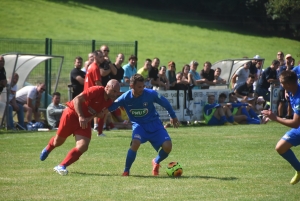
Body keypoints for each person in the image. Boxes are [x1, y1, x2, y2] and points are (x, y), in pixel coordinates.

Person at [39, 79, 120, 176]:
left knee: (83, 146)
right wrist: (81, 116)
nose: (115, 94)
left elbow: (99, 114)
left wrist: (95, 116)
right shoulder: (97, 90)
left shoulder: (110, 102)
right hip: (72, 115)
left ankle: (61, 166)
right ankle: (48, 148)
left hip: (84, 121)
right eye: (113, 91)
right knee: (58, 141)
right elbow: (77, 99)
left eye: (117, 92)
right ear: (106, 87)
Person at [107, 74, 179, 176]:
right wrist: (100, 111)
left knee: (168, 147)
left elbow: (164, 102)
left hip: (155, 124)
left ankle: (156, 161)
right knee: (135, 143)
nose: (142, 89)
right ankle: (126, 170)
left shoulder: (150, 94)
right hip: (139, 126)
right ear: (132, 86)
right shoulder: (125, 97)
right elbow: (111, 107)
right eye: (139, 87)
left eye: (143, 86)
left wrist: (173, 116)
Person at [261, 71, 300, 185]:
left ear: (288, 84)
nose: (281, 86)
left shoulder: (299, 99)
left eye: (282, 84)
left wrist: (275, 118)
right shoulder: (292, 91)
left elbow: (295, 123)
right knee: (280, 147)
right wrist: (287, 93)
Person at [277, 54, 294, 119]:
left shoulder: (293, 68)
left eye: (290, 59)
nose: (288, 60)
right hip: (283, 87)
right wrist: (288, 67)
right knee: (282, 102)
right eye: (287, 59)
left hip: (290, 87)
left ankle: (289, 116)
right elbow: (281, 76)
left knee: (290, 102)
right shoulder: (282, 67)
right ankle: (280, 116)